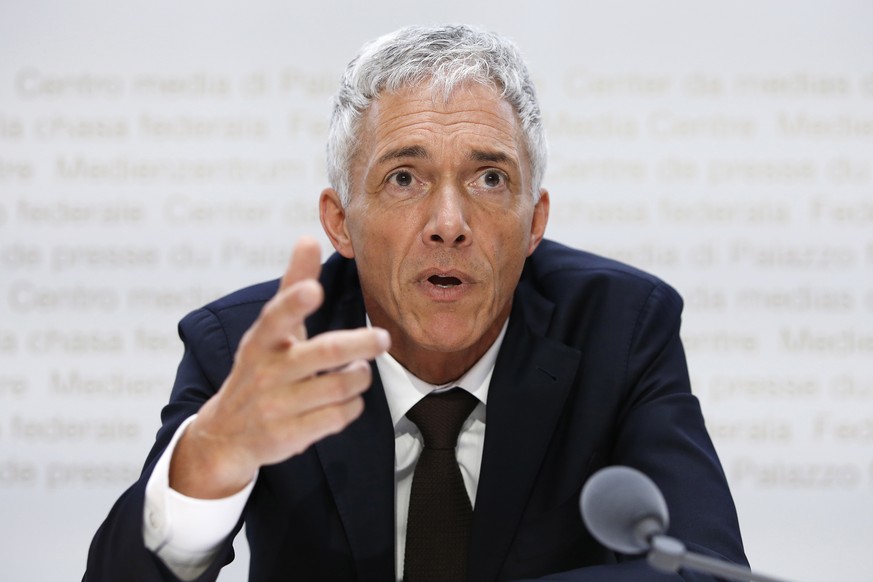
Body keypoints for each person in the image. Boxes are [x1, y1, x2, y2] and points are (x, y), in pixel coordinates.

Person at [84, 24, 747, 581]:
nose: (449, 222)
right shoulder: (257, 353)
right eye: (404, 177)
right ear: (340, 222)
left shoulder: (618, 329)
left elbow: (701, 568)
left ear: (533, 221)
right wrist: (208, 457)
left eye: (490, 178)